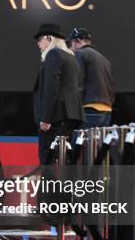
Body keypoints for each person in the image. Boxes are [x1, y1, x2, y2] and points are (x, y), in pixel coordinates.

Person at [33, 24, 84, 164]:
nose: (38, 44)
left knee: (48, 158)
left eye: (40, 40)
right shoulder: (70, 56)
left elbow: (51, 88)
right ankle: (62, 186)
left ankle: (50, 186)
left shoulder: (53, 54)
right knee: (62, 159)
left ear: (49, 38)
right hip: (69, 116)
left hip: (55, 117)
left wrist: (46, 118)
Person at [67, 27, 115, 127]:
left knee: (79, 142)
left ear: (77, 41)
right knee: (97, 142)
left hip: (90, 109)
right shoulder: (104, 59)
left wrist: (72, 111)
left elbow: (78, 83)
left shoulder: (79, 54)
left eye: (70, 44)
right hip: (107, 110)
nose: (70, 48)